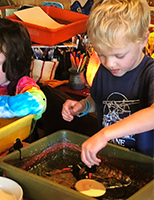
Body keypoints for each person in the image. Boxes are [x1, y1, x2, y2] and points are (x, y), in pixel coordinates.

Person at [62, 0, 154, 168]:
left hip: (145, 167)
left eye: (119, 56)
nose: (110, 63)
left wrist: (105, 134)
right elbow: (100, 101)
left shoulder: (150, 73)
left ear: (143, 39)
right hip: (110, 160)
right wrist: (83, 106)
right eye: (101, 54)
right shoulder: (105, 71)